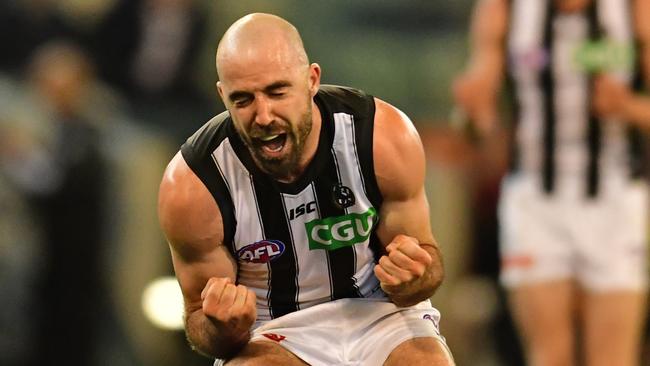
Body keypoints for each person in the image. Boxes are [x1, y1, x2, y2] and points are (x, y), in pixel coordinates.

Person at [158, 12, 455, 366]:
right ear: (222, 95)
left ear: (312, 80)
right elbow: (200, 323)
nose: (264, 116)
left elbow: (424, 269)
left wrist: (415, 278)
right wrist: (223, 326)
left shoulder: (379, 136)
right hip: (272, 329)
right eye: (243, 100)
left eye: (277, 91)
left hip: (380, 312)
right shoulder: (194, 184)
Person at [454, 0, 650, 365]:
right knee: (548, 355)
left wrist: (627, 106)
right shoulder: (505, 7)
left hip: (616, 193)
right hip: (534, 196)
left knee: (612, 358)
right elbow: (476, 120)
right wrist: (472, 110)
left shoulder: (633, 9)